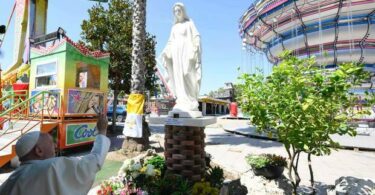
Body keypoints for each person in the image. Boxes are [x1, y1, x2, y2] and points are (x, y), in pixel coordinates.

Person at [0, 112, 110, 195]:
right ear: (39, 151)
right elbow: (94, 162)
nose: (56, 144)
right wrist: (102, 131)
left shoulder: (11, 181)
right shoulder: (51, 167)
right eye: (51, 142)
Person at [161, 2, 202, 112]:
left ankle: (191, 99)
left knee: (187, 73)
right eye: (175, 11)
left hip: (187, 52)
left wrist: (195, 48)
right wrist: (165, 51)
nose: (177, 13)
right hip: (176, 54)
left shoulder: (189, 23)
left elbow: (196, 36)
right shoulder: (174, 27)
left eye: (179, 10)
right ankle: (181, 100)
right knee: (178, 76)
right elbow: (170, 41)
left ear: (183, 11)